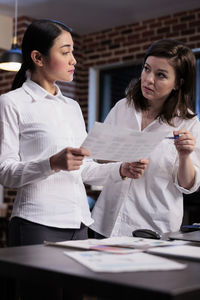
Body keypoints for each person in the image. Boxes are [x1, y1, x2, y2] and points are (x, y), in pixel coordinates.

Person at [0, 19, 148, 300]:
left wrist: (122, 169)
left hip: (79, 224)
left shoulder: (71, 107)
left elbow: (84, 169)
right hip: (36, 224)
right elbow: (4, 172)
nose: (74, 60)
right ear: (38, 58)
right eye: (66, 51)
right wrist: (50, 164)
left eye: (73, 51)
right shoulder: (12, 103)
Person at [91, 39, 200, 238]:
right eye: (146, 69)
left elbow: (188, 186)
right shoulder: (122, 107)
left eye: (160, 75)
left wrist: (185, 156)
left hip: (153, 227)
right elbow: (98, 156)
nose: (149, 79)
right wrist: (123, 161)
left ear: (178, 83)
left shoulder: (188, 123)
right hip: (107, 222)